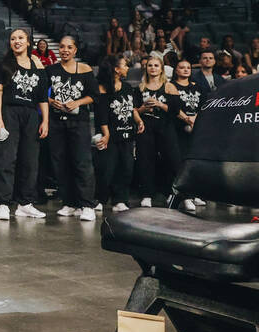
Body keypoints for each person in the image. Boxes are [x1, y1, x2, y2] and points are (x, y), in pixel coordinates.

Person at [0, 29, 49, 221]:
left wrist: (45, 120)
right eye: (13, 38)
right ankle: (3, 203)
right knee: (6, 159)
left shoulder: (37, 66)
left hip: (31, 115)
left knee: (30, 161)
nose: (17, 41)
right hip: (9, 112)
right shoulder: (3, 64)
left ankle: (25, 204)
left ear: (28, 42)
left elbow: (42, 98)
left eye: (21, 38)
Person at [45, 35, 99, 220]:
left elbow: (94, 95)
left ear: (75, 50)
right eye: (62, 47)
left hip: (79, 123)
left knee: (82, 162)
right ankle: (69, 203)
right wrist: (52, 102)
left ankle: (87, 205)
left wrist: (77, 102)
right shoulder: (50, 70)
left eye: (69, 47)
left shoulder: (84, 69)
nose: (65, 50)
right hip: (56, 122)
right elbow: (42, 95)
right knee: (60, 163)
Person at [94, 56, 143, 214]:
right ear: (116, 69)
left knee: (126, 168)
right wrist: (106, 134)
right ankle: (100, 199)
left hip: (127, 135)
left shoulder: (128, 87)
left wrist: (139, 120)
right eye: (124, 65)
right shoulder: (103, 88)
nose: (127, 68)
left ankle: (120, 199)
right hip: (111, 136)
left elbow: (132, 108)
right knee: (107, 169)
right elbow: (101, 114)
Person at [135, 55, 183, 210]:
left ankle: (180, 195)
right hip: (146, 126)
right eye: (150, 65)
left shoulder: (169, 86)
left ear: (161, 68)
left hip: (165, 126)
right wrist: (144, 108)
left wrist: (159, 104)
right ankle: (147, 195)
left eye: (156, 65)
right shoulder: (140, 88)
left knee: (173, 159)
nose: (153, 68)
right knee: (145, 160)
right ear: (146, 68)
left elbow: (175, 110)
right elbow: (134, 110)